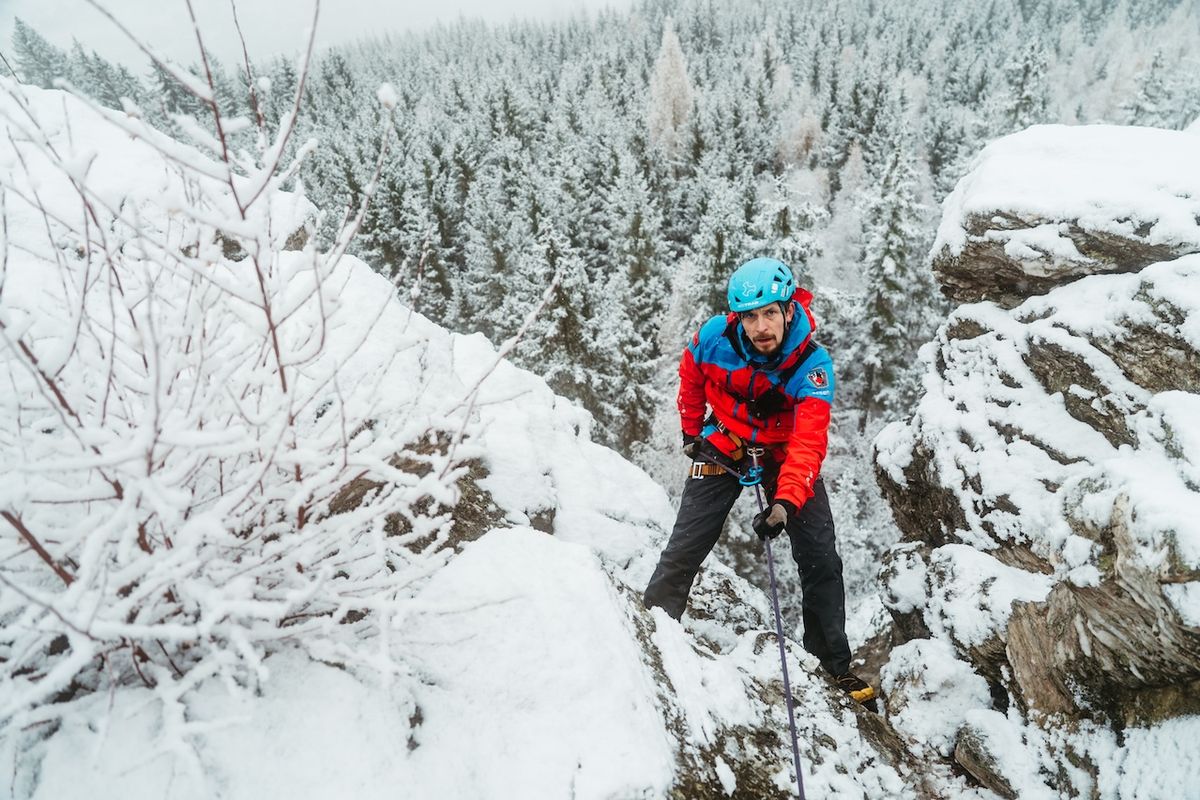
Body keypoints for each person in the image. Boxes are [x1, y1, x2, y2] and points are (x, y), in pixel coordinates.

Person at [643, 257, 877, 712]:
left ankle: (833, 667)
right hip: (726, 440)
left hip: (785, 451)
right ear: (737, 317)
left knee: (820, 556)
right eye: (750, 316)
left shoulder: (813, 366)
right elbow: (691, 376)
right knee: (688, 540)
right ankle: (652, 625)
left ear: (789, 310)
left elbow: (808, 445)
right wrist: (692, 431)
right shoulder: (713, 337)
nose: (760, 326)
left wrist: (785, 503)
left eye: (770, 312)